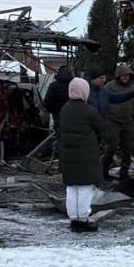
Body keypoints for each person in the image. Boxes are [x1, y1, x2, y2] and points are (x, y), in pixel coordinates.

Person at [57, 77, 104, 232]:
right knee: (85, 186)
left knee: (72, 187)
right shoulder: (89, 110)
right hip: (86, 153)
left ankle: (74, 217)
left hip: (67, 152)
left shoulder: (64, 109)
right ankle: (83, 219)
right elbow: (100, 128)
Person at [102, 63, 134, 179]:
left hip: (128, 122)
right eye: (122, 75)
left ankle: (124, 173)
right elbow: (103, 101)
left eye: (127, 75)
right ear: (118, 76)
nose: (125, 77)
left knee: (127, 148)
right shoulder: (109, 86)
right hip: (113, 121)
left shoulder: (133, 87)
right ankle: (103, 171)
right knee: (111, 146)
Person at [42, 65, 73, 130]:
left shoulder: (53, 86)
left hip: (58, 117)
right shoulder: (74, 85)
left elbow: (47, 103)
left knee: (60, 136)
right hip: (72, 117)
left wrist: (53, 111)